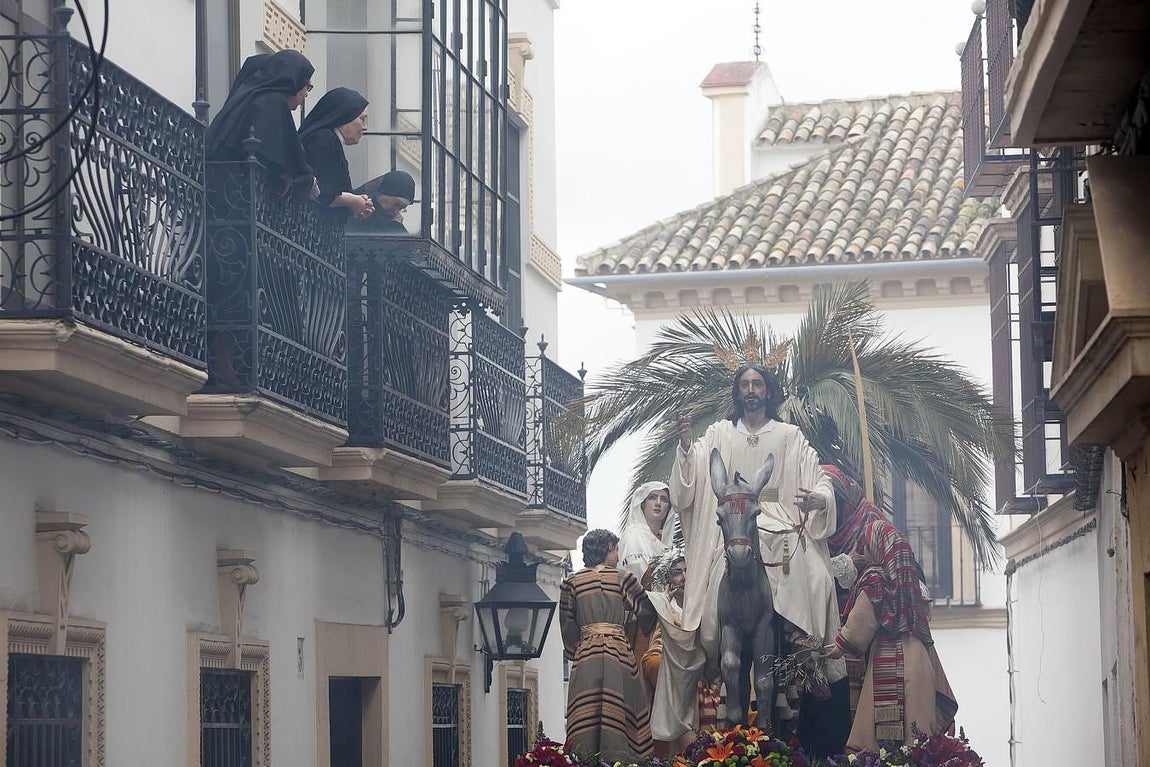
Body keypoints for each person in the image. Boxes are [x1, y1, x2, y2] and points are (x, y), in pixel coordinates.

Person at [670, 363, 848, 753]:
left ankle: (805, 651)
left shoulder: (789, 436)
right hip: (736, 525)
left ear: (769, 391)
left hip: (779, 520)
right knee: (723, 569)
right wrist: (685, 448)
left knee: (817, 575)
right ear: (737, 391)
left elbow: (815, 474)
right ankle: (719, 652)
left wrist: (823, 496)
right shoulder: (719, 433)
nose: (751, 390)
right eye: (745, 384)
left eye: (758, 384)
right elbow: (693, 477)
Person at [822, 465, 959, 753]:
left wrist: (836, 646)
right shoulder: (906, 597)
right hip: (917, 657)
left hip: (881, 654)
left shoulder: (877, 579)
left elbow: (859, 623)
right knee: (917, 737)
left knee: (877, 739)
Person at [560, 529, 654, 763]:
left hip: (587, 655)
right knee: (622, 707)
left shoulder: (571, 583)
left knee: (586, 709)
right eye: (616, 550)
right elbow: (647, 613)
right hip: (619, 653)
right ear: (607, 550)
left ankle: (585, 758)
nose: (617, 555)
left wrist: (576, 650)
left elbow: (567, 625)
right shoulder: (623, 578)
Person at [206, 49, 317, 197]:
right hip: (237, 198)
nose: (306, 93)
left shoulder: (251, 99)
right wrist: (307, 182)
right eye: (306, 86)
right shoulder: (272, 103)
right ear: (294, 80)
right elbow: (292, 159)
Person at [641, 548, 711, 753]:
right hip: (682, 690)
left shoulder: (705, 606)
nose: (684, 577)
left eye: (687, 571)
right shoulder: (665, 613)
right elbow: (652, 658)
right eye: (677, 572)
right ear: (667, 579)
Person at [298, 87, 375, 219]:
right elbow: (319, 191)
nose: (365, 127)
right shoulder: (321, 139)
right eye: (362, 119)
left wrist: (357, 202)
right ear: (345, 115)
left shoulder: (328, 139)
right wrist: (351, 201)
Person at [617, 481, 677, 583]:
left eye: (664, 499)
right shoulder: (634, 534)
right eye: (652, 497)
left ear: (668, 508)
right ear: (643, 503)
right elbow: (636, 575)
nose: (658, 503)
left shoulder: (670, 547)